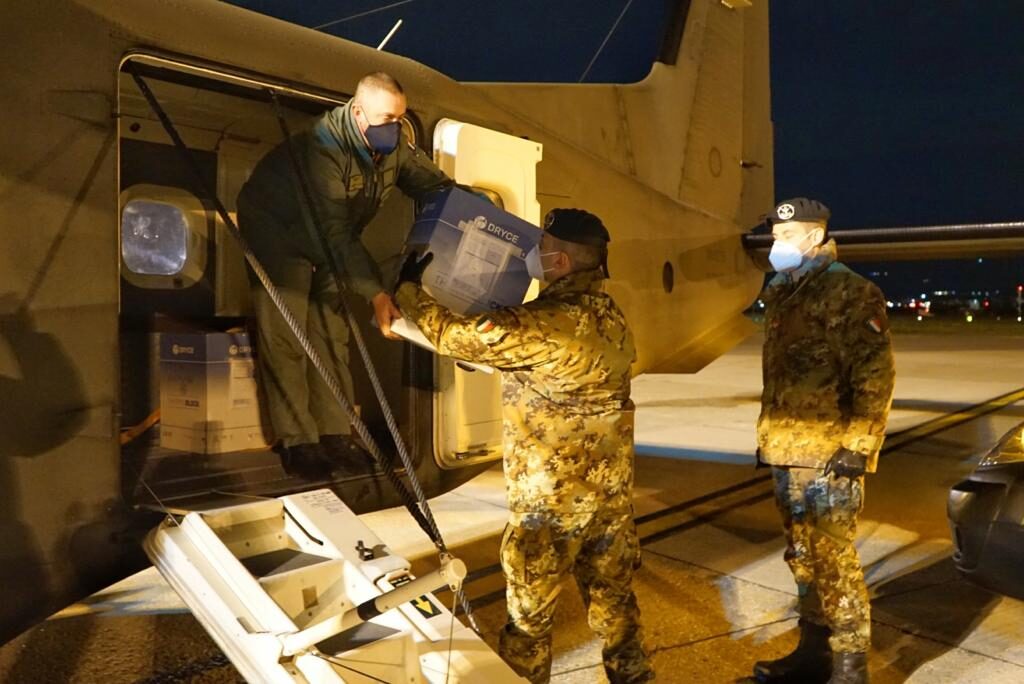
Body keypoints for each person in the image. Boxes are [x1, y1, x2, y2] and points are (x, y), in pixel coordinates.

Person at [394, 209, 654, 683]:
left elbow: (455, 336)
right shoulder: (609, 316)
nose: (535, 253)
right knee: (616, 609)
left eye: (543, 246)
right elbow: (556, 371)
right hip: (608, 501)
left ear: (558, 261)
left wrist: (408, 289)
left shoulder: (546, 321)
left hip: (550, 505)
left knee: (530, 624)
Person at [237, 72, 454, 477]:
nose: (394, 127)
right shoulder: (322, 150)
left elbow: (435, 187)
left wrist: (479, 213)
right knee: (289, 332)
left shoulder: (391, 147)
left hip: (332, 234)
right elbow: (333, 232)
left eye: (400, 119)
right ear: (357, 112)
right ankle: (299, 442)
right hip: (278, 230)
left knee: (330, 330)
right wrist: (375, 292)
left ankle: (336, 434)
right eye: (386, 117)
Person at [752, 198, 895, 684]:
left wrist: (858, 443)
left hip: (830, 453)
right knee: (802, 557)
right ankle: (813, 651)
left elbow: (874, 373)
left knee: (835, 560)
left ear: (815, 238)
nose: (776, 245)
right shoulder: (783, 291)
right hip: (786, 449)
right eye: (774, 237)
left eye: (786, 237)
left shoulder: (850, 292)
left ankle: (850, 667)